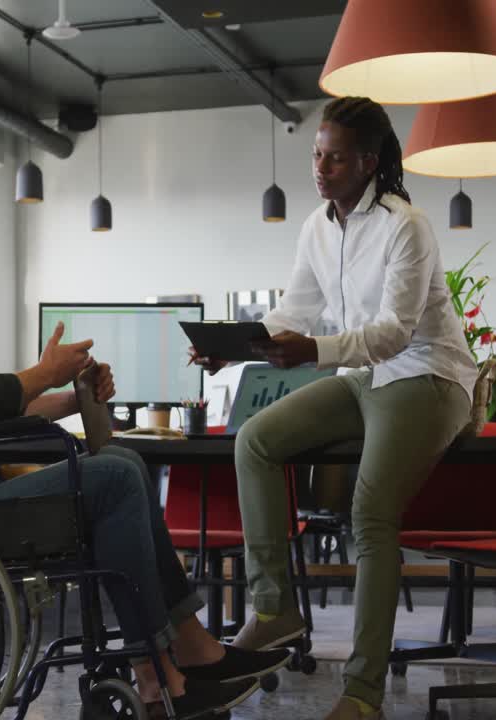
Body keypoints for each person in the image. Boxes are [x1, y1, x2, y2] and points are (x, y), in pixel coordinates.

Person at [0, 171, 288, 718]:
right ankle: (159, 677)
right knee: (115, 474)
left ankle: (188, 649)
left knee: (120, 463)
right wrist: (42, 373)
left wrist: (72, 396)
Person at [191, 97, 477, 720]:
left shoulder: (406, 225)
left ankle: (363, 693)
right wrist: (231, 351)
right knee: (255, 441)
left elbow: (394, 333)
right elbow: (293, 312)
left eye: (335, 158)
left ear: (368, 162)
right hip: (363, 377)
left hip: (428, 375)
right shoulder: (317, 228)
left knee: (370, 514)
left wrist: (313, 350)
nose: (320, 168)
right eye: (317, 155)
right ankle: (275, 608)